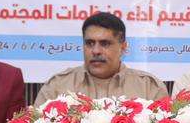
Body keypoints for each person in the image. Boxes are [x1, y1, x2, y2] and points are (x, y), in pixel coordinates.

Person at [35, 12, 167, 104]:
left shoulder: (149, 88)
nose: (96, 51)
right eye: (89, 43)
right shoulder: (57, 86)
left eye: (105, 43)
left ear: (123, 47)